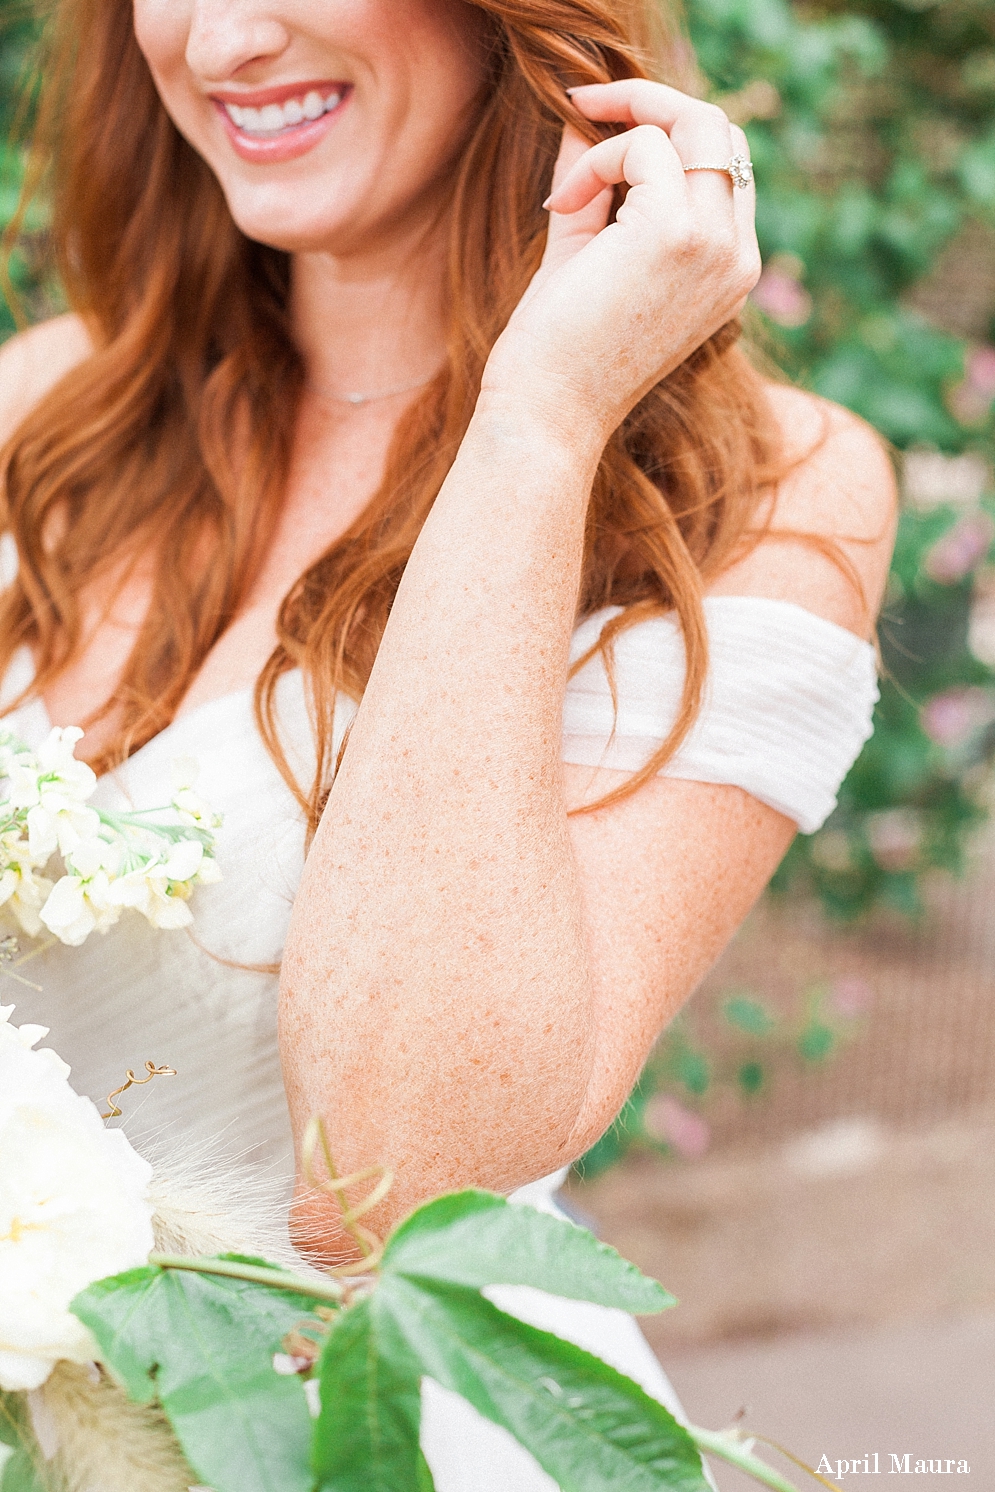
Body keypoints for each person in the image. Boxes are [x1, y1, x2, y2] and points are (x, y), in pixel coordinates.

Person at [0, 0, 895, 1484]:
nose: (222, 41)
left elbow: (395, 1189)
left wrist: (541, 416)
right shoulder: (48, 410)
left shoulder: (759, 496)